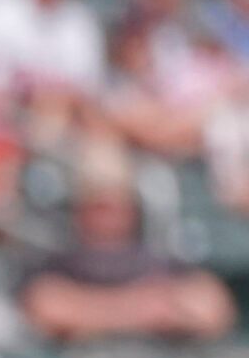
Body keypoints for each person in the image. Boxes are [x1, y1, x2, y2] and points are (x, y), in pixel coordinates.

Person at [19, 145, 236, 343]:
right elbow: (46, 306)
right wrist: (142, 307)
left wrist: (87, 312)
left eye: (117, 205)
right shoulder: (61, 260)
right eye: (98, 206)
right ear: (78, 209)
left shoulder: (155, 258)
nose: (107, 217)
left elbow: (211, 309)